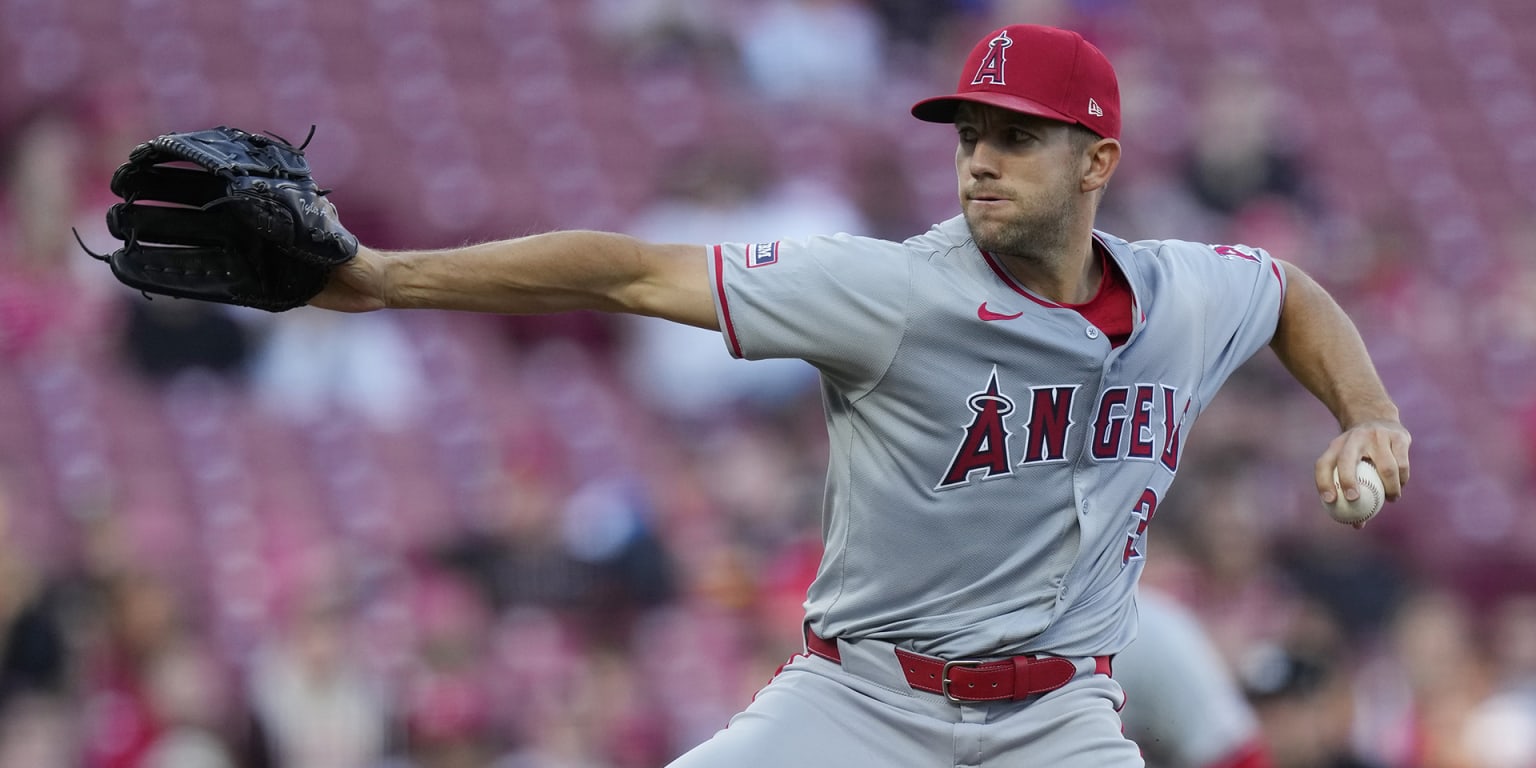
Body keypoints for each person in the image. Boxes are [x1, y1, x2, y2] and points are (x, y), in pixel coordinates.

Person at [309, 23, 1412, 766]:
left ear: (1098, 162)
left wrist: (1368, 411)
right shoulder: (889, 292)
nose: (979, 161)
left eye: (1017, 139)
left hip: (1060, 716)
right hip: (863, 702)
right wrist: (384, 277)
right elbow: (630, 269)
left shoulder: (1183, 296)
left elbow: (1290, 294)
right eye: (970, 136)